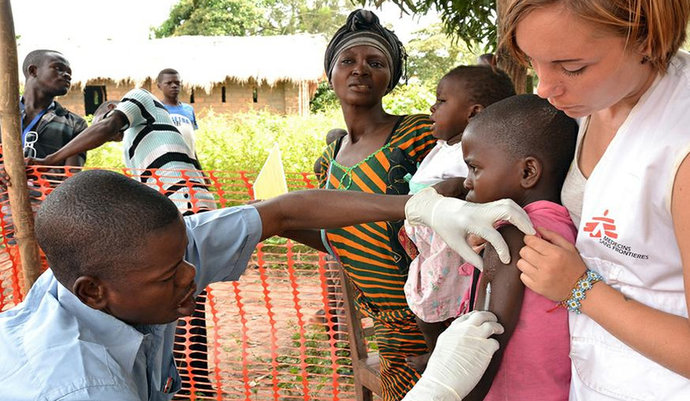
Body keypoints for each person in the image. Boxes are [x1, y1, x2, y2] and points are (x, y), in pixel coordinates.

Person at [0, 169, 517, 401]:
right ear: (93, 292)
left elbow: (285, 211)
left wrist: (419, 207)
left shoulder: (137, 262)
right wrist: (434, 392)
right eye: (169, 276)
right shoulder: (81, 387)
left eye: (186, 257)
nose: (190, 278)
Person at [414, 0, 690, 399]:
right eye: (533, 62)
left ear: (645, 35)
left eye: (572, 67)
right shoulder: (584, 107)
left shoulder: (678, 143)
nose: (544, 88)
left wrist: (581, 289)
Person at [313, 9, 437, 399]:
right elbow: (343, 239)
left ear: (391, 77)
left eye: (375, 62)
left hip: (433, 321)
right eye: (348, 61)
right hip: (385, 325)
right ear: (330, 74)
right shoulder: (332, 156)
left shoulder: (416, 135)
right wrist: (274, 220)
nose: (360, 70)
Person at [454, 94, 578, 401]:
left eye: (475, 168)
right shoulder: (565, 227)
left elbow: (487, 339)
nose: (467, 182)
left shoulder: (511, 236)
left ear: (527, 172)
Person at [402, 65, 515, 371]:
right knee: (428, 300)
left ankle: (439, 357)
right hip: (427, 246)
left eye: (441, 101)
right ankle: (441, 355)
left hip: (448, 246)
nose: (432, 107)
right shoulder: (442, 147)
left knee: (430, 306)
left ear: (473, 113)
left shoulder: (468, 153)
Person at [29, 89, 214, 215]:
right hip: (174, 210)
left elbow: (108, 126)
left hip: (188, 203)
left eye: (98, 122)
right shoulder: (133, 145)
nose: (108, 138)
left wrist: (50, 159)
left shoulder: (140, 97)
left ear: (111, 109)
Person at [156, 68, 202, 169]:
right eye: (169, 83)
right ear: (159, 86)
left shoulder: (188, 109)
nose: (174, 86)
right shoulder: (156, 110)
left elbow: (191, 143)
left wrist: (200, 170)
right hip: (167, 167)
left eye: (177, 83)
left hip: (189, 166)